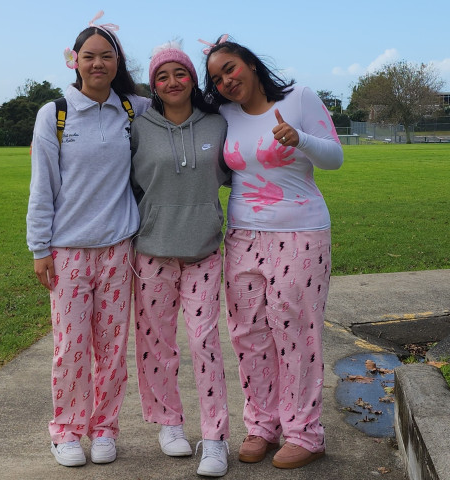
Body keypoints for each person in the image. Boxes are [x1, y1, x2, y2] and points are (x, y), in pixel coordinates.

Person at [202, 35, 344, 470]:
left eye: (230, 68)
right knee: (248, 333)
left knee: (296, 334)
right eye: (217, 78)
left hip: (301, 234)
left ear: (250, 64)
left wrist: (298, 137)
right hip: (242, 236)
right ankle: (262, 424)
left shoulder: (299, 97)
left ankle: (304, 432)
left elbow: (335, 158)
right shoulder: (224, 114)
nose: (226, 81)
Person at [26, 11, 150, 467]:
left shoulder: (134, 109)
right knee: (71, 348)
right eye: (89, 56)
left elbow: (181, 106)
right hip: (69, 251)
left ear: (118, 63)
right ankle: (66, 430)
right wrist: (40, 248)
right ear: (74, 61)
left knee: (112, 350)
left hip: (120, 249)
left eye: (107, 56)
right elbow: (43, 187)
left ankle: (104, 429)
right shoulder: (54, 114)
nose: (98, 64)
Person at [130, 41, 231, 477]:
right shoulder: (138, 125)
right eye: (162, 76)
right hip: (152, 251)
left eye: (180, 73)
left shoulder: (217, 123)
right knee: (157, 346)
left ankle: (215, 438)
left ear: (193, 79)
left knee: (204, 343)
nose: (172, 82)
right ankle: (169, 423)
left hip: (204, 251)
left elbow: (236, 173)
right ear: (153, 84)